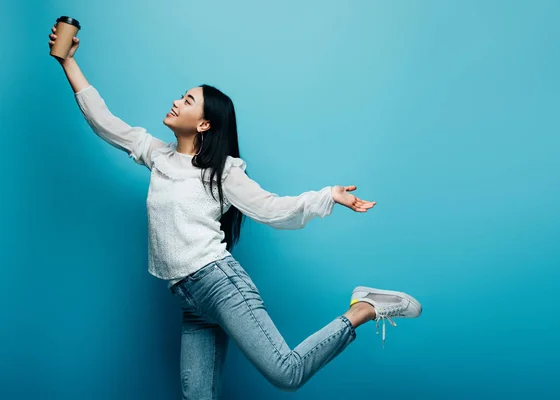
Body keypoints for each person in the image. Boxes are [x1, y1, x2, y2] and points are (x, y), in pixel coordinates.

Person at [49, 23, 422, 399]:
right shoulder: (157, 155)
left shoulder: (222, 171)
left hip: (218, 284)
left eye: (188, 101)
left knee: (286, 372)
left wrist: (327, 195)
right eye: (181, 96)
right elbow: (104, 122)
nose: (177, 102)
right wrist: (68, 62)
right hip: (188, 296)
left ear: (204, 123)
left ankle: (364, 308)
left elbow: (273, 210)